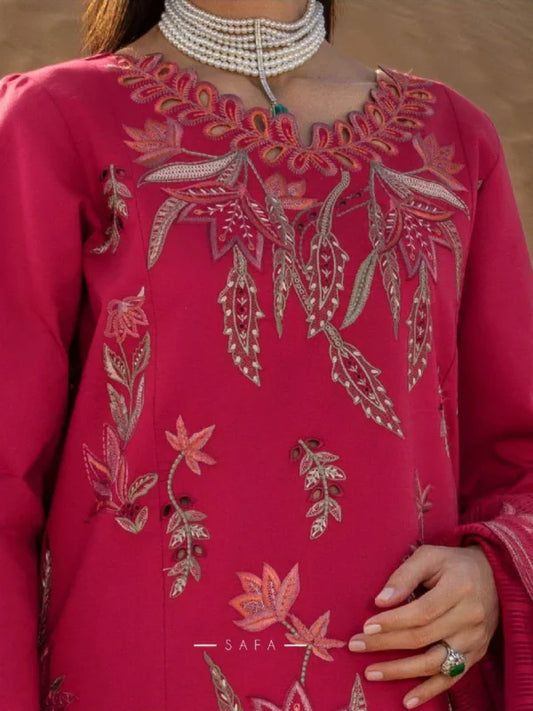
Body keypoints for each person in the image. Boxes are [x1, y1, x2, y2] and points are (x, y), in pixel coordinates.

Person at [0, 0, 531, 709]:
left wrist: (492, 576)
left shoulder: (453, 141)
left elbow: (517, 457)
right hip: (133, 680)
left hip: (396, 679)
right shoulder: (58, 122)